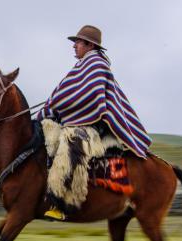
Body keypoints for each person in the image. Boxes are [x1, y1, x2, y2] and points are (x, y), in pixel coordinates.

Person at [37, 25, 151, 221]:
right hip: (76, 122)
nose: (74, 47)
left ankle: (63, 202)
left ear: (89, 45)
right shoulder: (81, 66)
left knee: (70, 144)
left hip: (93, 126)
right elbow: (64, 93)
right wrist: (51, 107)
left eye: (77, 43)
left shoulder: (97, 64)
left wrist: (64, 103)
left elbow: (93, 97)